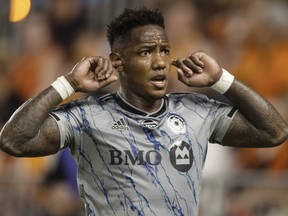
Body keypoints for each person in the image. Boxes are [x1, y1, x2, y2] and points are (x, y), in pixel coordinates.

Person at [0, 7, 287, 216]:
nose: (161, 62)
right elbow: (14, 140)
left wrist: (222, 80)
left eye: (165, 50)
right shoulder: (86, 116)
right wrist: (68, 83)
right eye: (146, 52)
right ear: (118, 61)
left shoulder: (196, 112)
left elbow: (274, 132)